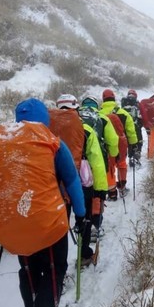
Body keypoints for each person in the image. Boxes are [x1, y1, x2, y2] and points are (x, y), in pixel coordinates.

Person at [11, 98, 86, 307]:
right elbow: (72, 182)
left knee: (28, 270)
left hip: (18, 221)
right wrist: (80, 215)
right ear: (45, 118)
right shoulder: (52, 143)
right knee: (55, 269)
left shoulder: (6, 144)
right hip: (49, 222)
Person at [53, 94, 108, 267]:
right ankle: (84, 254)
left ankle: (56, 266)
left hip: (55, 186)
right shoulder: (86, 130)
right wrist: (100, 189)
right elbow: (97, 162)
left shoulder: (46, 130)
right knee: (84, 218)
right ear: (76, 109)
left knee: (59, 224)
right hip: (82, 183)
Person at [79, 96, 119, 232]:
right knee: (97, 191)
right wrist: (113, 154)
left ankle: (81, 219)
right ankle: (95, 223)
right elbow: (113, 140)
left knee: (81, 191)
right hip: (97, 159)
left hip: (76, 161)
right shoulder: (102, 118)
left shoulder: (74, 116)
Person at [99, 89, 138, 200]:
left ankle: (112, 193)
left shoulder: (99, 114)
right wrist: (133, 144)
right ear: (114, 99)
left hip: (106, 146)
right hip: (121, 144)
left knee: (109, 167)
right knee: (121, 163)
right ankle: (122, 187)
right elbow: (131, 131)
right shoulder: (123, 113)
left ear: (103, 99)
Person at [121, 89, 143, 167]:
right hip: (136, 126)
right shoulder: (137, 104)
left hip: (126, 127)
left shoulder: (123, 103)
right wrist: (141, 124)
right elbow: (140, 116)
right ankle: (136, 156)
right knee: (138, 142)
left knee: (130, 143)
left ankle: (131, 158)